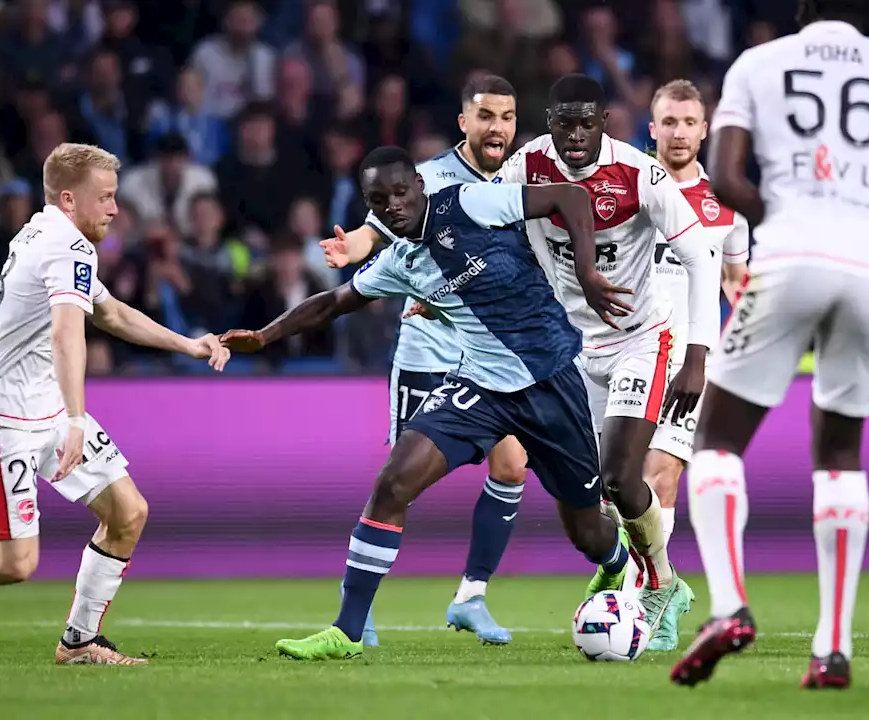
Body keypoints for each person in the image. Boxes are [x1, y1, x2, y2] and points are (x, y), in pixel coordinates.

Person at [221, 145, 636, 661]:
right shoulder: (399, 262)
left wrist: (589, 273)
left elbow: (571, 198)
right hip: (480, 386)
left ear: (418, 184)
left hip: (552, 382)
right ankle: (348, 631)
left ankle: (617, 561)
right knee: (393, 482)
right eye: (379, 199)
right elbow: (333, 302)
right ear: (371, 207)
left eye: (399, 191)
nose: (393, 204)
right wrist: (264, 336)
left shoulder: (469, 203)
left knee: (588, 531)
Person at [669, 0, 869, 690]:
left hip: (793, 253)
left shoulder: (758, 64)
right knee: (841, 453)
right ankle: (832, 649)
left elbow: (729, 178)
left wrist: (799, 221)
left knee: (718, 441)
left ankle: (730, 606)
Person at [0, 144, 231, 665]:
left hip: (48, 409)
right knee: (15, 564)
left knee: (128, 512)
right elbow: (68, 334)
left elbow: (110, 313)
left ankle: (80, 641)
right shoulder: (68, 246)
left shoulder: (48, 232)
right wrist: (78, 419)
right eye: (104, 198)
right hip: (6, 418)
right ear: (68, 198)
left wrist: (188, 344)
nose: (113, 209)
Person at [496, 74, 723, 651]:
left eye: (586, 122)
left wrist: (697, 353)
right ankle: (653, 577)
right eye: (564, 122)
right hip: (571, 351)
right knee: (591, 494)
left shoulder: (638, 175)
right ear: (548, 123)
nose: (575, 135)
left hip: (642, 341)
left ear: (605, 124)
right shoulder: (527, 166)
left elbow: (699, 256)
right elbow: (477, 219)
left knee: (626, 477)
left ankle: (656, 582)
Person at [320, 75, 528, 646]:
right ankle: (356, 616)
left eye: (507, 117)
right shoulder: (430, 179)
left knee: (512, 466)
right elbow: (373, 231)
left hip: (491, 358)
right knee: (400, 487)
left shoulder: (521, 176)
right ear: (465, 122)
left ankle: (471, 597)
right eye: (486, 116)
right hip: (430, 353)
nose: (497, 128)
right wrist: (352, 250)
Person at [606, 80, 750, 650]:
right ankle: (665, 583)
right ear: (652, 127)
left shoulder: (728, 207)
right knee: (614, 492)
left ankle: (651, 606)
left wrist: (751, 346)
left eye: (689, 122)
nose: (679, 132)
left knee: (660, 476)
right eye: (669, 122)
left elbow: (737, 283)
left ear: (705, 128)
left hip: (692, 361)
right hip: (628, 353)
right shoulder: (626, 191)